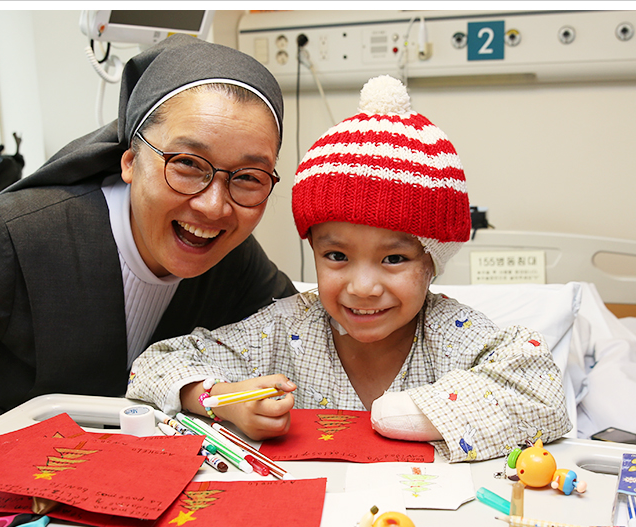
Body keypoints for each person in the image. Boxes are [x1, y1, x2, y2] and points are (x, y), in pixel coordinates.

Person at [125, 75, 573, 462]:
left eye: (394, 259)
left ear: (433, 261)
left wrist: (421, 414)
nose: (362, 287)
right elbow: (153, 367)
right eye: (336, 257)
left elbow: (542, 394)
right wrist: (223, 400)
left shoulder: (452, 336)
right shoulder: (285, 331)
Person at [0, 33, 296, 447]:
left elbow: (309, 335)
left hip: (129, 493)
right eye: (187, 164)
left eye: (248, 178)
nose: (213, 206)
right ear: (130, 161)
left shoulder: (235, 262)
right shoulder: (8, 240)